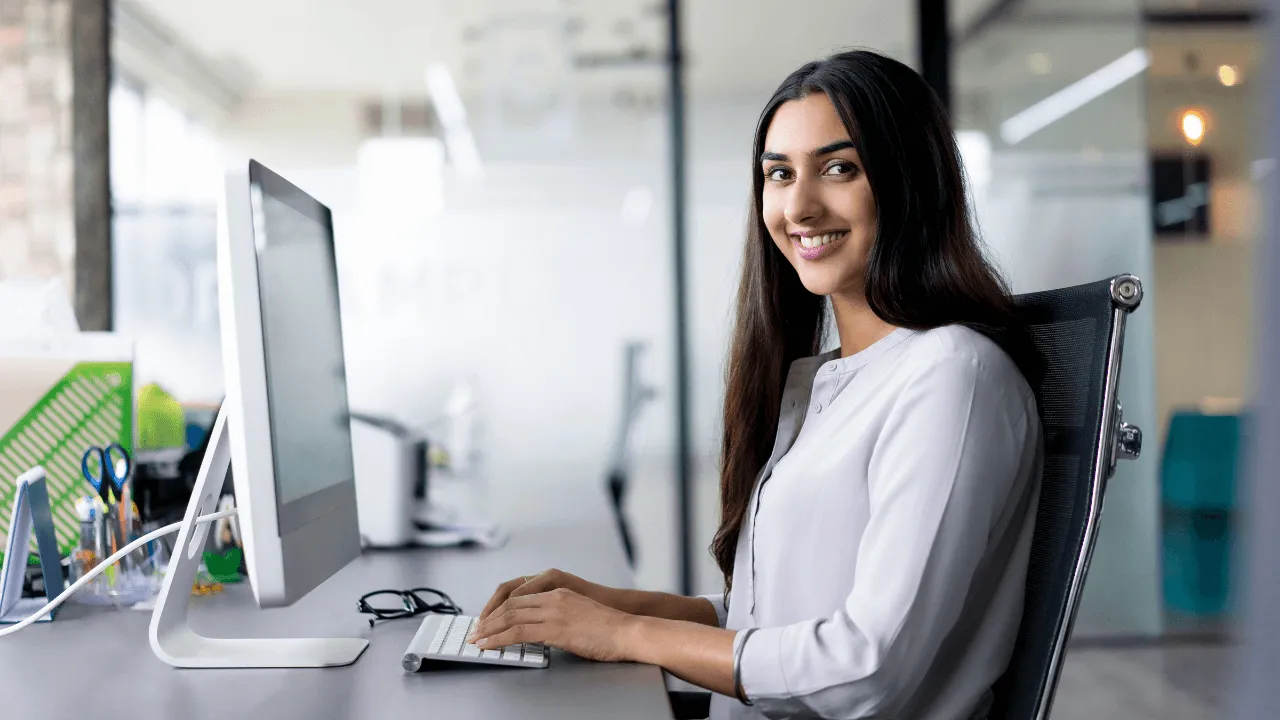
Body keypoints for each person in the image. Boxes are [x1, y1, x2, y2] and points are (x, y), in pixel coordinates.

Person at [470, 49, 1043, 720]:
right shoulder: (829, 380)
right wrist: (607, 607)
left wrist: (625, 635)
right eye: (778, 173)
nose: (799, 205)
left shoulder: (951, 376)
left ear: (910, 181)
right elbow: (770, 626)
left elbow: (865, 667)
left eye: (839, 168)